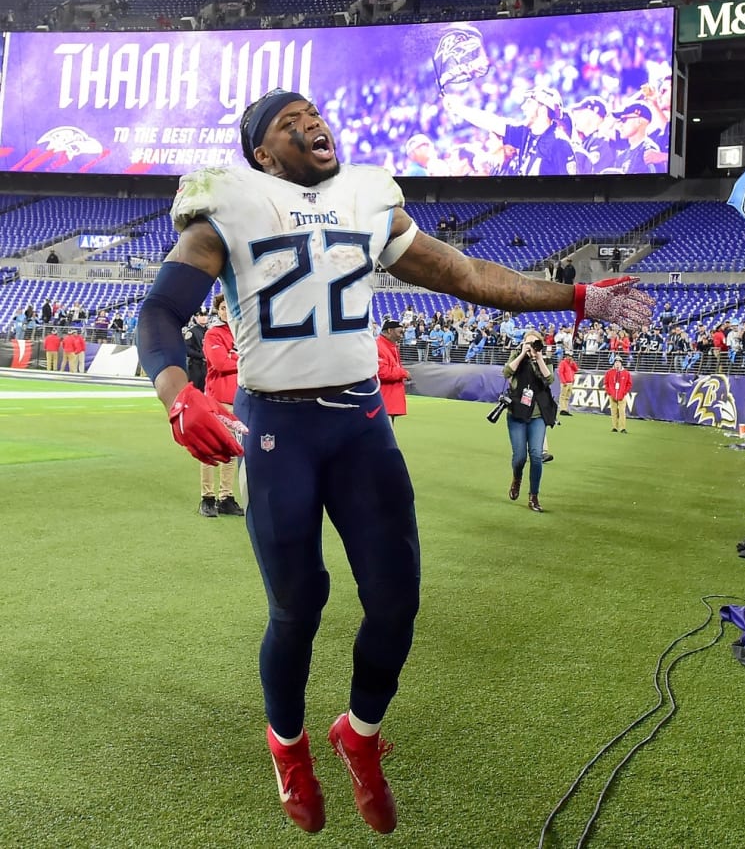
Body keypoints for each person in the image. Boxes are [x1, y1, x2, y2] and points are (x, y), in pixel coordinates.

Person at [134, 89, 652, 835]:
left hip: (360, 425)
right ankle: (289, 748)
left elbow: (468, 276)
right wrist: (177, 393)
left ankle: (360, 733)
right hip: (278, 428)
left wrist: (576, 299)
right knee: (298, 604)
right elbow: (159, 311)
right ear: (260, 153)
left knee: (397, 601)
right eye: (289, 122)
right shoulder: (230, 202)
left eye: (314, 114)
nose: (311, 123)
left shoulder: (369, 197)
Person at [445, 86, 577, 176]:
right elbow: (490, 121)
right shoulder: (524, 133)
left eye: (529, 103)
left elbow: (570, 190)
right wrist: (457, 108)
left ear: (543, 110)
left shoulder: (560, 143)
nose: (523, 107)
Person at [200, 293, 244, 518]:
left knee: (232, 451)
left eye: (231, 307)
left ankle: (226, 497)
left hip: (239, 401)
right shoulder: (213, 334)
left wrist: (233, 355)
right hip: (218, 400)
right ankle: (207, 497)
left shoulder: (241, 332)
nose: (228, 311)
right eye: (224, 307)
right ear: (218, 310)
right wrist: (240, 358)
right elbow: (220, 363)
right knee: (212, 448)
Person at [503, 329, 556, 512]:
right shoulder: (517, 355)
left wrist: (539, 357)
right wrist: (523, 353)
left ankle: (534, 496)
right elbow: (506, 372)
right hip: (517, 413)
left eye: (535, 343)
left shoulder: (545, 360)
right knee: (519, 458)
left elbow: (549, 379)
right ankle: (517, 478)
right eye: (529, 343)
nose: (532, 346)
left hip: (537, 416)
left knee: (536, 455)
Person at [376, 320, 410, 423]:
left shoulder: (391, 346)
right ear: (390, 331)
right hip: (383, 400)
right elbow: (382, 372)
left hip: (389, 401)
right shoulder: (379, 346)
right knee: (383, 437)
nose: (401, 336)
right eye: (400, 332)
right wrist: (403, 373)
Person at [603, 355, 632, 433]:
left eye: (619, 362)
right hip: (612, 395)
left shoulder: (626, 373)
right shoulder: (609, 372)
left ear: (621, 363)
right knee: (613, 412)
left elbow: (629, 384)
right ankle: (614, 427)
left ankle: (622, 428)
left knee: (622, 412)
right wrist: (609, 392)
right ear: (614, 363)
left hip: (622, 396)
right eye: (616, 362)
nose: (617, 364)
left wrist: (624, 392)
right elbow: (606, 383)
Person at [184, 310, 208, 391]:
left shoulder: (210, 331)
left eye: (205, 315)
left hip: (207, 367)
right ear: (196, 318)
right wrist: (202, 355)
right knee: (194, 391)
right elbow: (187, 350)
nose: (204, 317)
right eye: (201, 315)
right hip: (195, 366)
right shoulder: (191, 332)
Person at [556, 348, 578, 417]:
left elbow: (576, 369)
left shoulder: (571, 363)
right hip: (565, 382)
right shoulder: (563, 363)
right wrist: (563, 381)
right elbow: (560, 372)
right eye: (569, 356)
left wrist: (573, 363)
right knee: (563, 396)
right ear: (566, 356)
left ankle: (565, 409)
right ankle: (562, 409)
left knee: (567, 397)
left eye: (571, 356)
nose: (570, 357)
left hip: (570, 382)